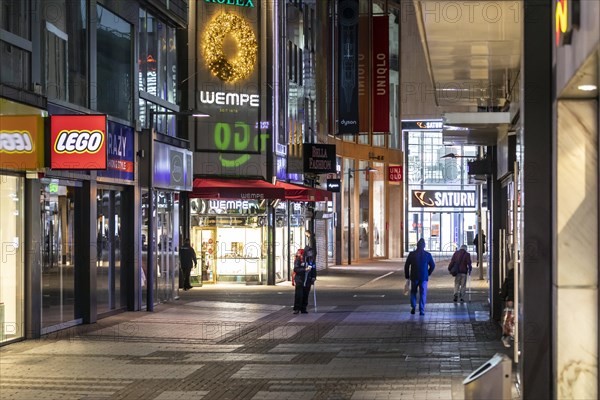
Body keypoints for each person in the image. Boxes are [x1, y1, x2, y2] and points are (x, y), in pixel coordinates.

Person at [404, 238, 435, 316]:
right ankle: (422, 310)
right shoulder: (428, 255)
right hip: (424, 277)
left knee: (413, 292)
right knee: (423, 293)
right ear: (424, 246)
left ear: (417, 245)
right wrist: (428, 273)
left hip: (414, 276)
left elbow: (406, 266)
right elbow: (433, 265)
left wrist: (407, 276)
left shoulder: (411, 254)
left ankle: (413, 307)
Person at [500, 262, 515, 347]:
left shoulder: (510, 275)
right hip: (516, 299)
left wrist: (505, 297)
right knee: (512, 318)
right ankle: (509, 335)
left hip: (511, 300)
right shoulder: (517, 274)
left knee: (510, 318)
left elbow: (507, 287)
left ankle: (507, 336)